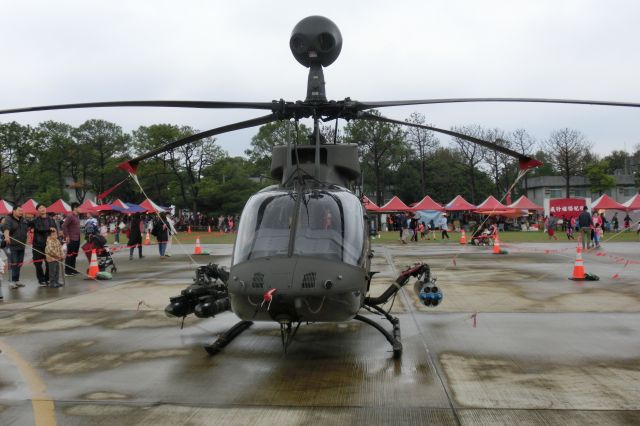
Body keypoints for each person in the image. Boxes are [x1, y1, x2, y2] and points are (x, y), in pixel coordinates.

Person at [31, 203, 57, 286]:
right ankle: (41, 279)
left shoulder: (51, 219)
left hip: (49, 244)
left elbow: (55, 229)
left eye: (44, 207)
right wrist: (49, 229)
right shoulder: (35, 221)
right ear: (37, 210)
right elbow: (38, 229)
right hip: (38, 244)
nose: (42, 209)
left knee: (49, 262)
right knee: (37, 263)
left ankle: (47, 278)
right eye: (40, 208)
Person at [2, 207, 29, 289]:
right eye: (19, 210)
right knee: (13, 263)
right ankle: (11, 281)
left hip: (21, 245)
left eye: (22, 210)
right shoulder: (8, 219)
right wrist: (6, 236)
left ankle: (16, 280)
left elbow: (27, 228)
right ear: (14, 211)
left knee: (19, 263)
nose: (21, 212)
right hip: (12, 246)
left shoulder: (23, 220)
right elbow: (6, 229)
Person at [62, 202, 81, 276]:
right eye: (79, 207)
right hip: (71, 238)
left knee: (74, 255)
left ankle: (72, 269)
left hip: (77, 238)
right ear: (75, 208)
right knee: (69, 255)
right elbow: (64, 226)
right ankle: (67, 271)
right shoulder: (70, 216)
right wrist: (67, 236)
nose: (80, 209)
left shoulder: (77, 216)